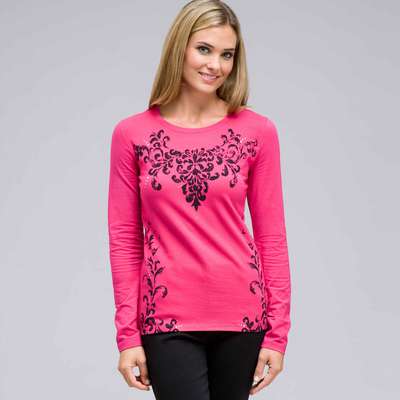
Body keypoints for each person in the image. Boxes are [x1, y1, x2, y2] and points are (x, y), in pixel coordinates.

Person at [107, 0, 291, 398]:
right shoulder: (132, 134)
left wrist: (277, 334)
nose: (215, 65)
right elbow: (124, 241)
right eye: (204, 49)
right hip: (165, 316)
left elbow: (272, 238)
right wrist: (127, 335)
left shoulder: (257, 132)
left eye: (227, 54)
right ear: (180, 48)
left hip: (242, 316)